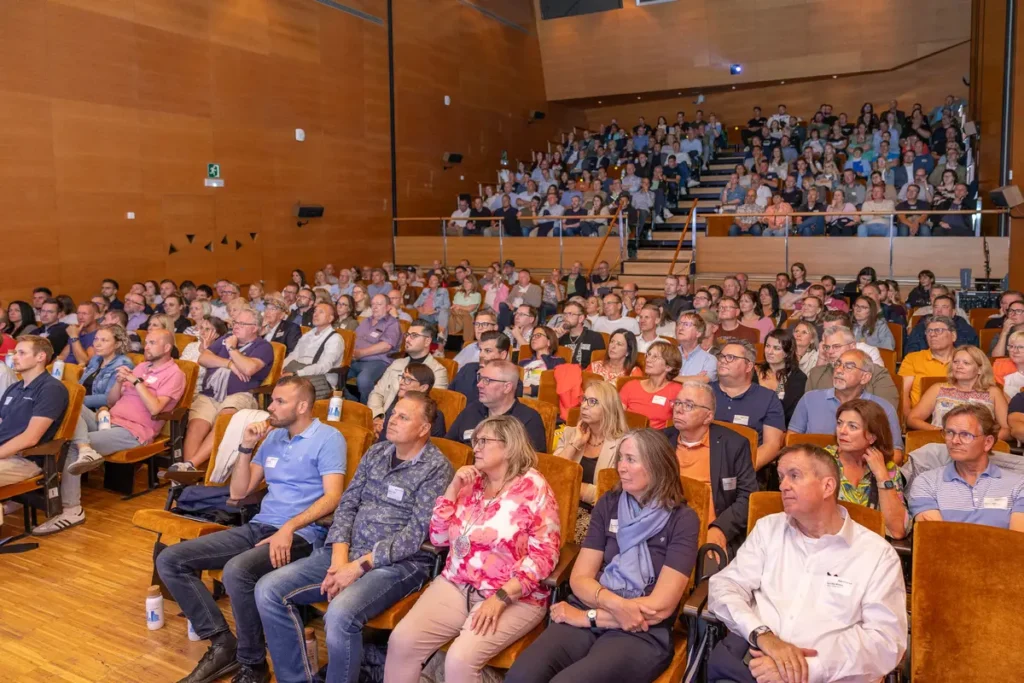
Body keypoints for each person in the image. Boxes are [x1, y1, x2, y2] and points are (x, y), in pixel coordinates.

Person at [255, 393, 454, 683]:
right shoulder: (376, 452)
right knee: (268, 589)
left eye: (403, 417)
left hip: (397, 564)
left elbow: (416, 534)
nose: (391, 421)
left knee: (340, 613)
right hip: (345, 552)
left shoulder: (437, 468)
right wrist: (338, 557)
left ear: (424, 428)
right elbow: (347, 504)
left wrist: (357, 566)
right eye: (392, 413)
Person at [157, 377, 345, 683]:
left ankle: (252, 663)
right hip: (260, 526)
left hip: (303, 535)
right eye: (271, 400)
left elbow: (333, 497)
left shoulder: (328, 437)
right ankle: (222, 643)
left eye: (279, 401)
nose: (270, 407)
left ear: (302, 406)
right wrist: (246, 446)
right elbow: (239, 492)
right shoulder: (273, 438)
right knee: (171, 559)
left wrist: (290, 527)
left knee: (237, 571)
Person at [505, 428, 699, 683]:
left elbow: (660, 606)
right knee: (521, 675)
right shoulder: (610, 503)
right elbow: (580, 579)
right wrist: (613, 606)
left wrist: (588, 618)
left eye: (631, 459)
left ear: (657, 465)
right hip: (597, 605)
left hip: (642, 632)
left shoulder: (682, 519)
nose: (621, 467)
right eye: (620, 458)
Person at [706, 445, 907, 683]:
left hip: (826, 676)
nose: (782, 485)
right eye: (781, 477)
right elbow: (724, 586)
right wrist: (763, 635)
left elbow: (885, 642)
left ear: (827, 486)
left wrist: (805, 669)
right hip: (753, 662)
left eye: (794, 475)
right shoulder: (768, 528)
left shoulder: (876, 554)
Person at [384, 415, 561, 683]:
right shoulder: (472, 482)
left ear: (509, 446)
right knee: (402, 641)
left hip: (512, 595)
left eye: (483, 441)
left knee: (459, 661)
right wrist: (453, 489)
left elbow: (544, 556)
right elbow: (439, 538)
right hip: (456, 583)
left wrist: (501, 597)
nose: (474, 447)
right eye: (474, 440)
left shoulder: (534, 488)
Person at [33, 329, 186, 535]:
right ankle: (81, 451)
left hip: (132, 431)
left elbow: (156, 409)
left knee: (70, 445)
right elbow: (113, 401)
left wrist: (135, 382)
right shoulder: (141, 367)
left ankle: (72, 509)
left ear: (167, 347)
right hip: (109, 419)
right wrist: (118, 382)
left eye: (151, 343)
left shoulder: (175, 374)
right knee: (70, 402)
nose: (146, 347)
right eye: (146, 342)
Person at [662, 381, 757, 556]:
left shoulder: (733, 445)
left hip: (708, 535)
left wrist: (720, 529)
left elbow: (748, 496)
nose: (679, 409)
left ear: (708, 417)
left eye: (689, 405)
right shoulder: (661, 441)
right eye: (678, 402)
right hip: (662, 532)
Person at [176, 307, 275, 472]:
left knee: (225, 417)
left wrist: (231, 349)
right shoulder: (226, 338)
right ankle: (187, 473)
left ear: (255, 328)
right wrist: (229, 364)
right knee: (196, 425)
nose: (236, 326)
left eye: (242, 323)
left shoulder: (263, 346)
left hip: (240, 395)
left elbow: (249, 368)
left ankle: (191, 464)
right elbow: (204, 358)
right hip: (210, 394)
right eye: (235, 322)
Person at [909, 403, 1024, 530]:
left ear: (988, 442)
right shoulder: (926, 482)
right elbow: (936, 538)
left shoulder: (1018, 485)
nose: (954, 441)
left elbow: (1018, 542)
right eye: (950, 432)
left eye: (965, 434)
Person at [553, 380, 629, 542]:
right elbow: (552, 476)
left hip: (597, 514)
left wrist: (577, 489)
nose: (585, 405)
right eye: (585, 399)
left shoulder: (623, 445)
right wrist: (575, 444)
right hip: (560, 506)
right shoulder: (569, 434)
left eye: (593, 402)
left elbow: (615, 495)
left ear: (609, 408)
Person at [823, 399, 911, 539]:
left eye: (852, 426)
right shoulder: (821, 462)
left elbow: (897, 530)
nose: (842, 431)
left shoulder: (888, 468)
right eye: (840, 423)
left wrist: (882, 475)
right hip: (828, 544)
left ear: (872, 436)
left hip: (871, 550)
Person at [0, 337, 70, 504]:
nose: (14, 357)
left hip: (25, 459)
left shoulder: (51, 389)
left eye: (22, 353)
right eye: (15, 352)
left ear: (40, 357)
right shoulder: (15, 387)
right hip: (6, 453)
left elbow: (31, 438)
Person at [907, 346, 1010, 440]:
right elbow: (912, 419)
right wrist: (939, 432)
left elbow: (1008, 429)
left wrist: (983, 442)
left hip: (980, 450)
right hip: (942, 443)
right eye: (956, 362)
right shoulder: (938, 389)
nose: (959, 366)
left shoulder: (993, 392)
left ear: (979, 369)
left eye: (966, 363)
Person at [712, 341, 785, 472]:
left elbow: (772, 445)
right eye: (721, 356)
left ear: (748, 366)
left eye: (731, 357)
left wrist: (743, 471)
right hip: (702, 465)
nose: (723, 361)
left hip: (746, 472)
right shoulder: (703, 392)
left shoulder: (767, 398)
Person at [445, 360, 548, 453]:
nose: (479, 385)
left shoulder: (528, 420)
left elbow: (532, 463)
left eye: (487, 380)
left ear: (507, 387)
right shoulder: (472, 409)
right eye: (479, 379)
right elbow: (447, 447)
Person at [368, 320, 449, 428]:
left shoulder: (437, 371)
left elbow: (430, 409)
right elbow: (377, 393)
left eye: (414, 336)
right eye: (407, 335)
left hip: (408, 427)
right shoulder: (397, 363)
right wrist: (377, 418)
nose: (407, 339)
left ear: (427, 341)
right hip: (382, 421)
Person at [807, 326, 899, 410]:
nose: (830, 352)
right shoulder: (816, 374)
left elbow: (885, 413)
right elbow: (807, 411)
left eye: (836, 346)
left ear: (852, 346)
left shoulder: (877, 373)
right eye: (827, 347)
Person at [899, 316, 957, 419]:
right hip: (919, 419)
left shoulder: (965, 360)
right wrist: (909, 418)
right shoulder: (913, 358)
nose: (932, 334)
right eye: (929, 331)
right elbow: (903, 393)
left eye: (938, 330)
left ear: (953, 336)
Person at [347, 294, 401, 403]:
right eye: (373, 304)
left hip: (377, 361)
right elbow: (354, 338)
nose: (375, 307)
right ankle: (350, 400)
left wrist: (362, 353)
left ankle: (367, 408)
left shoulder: (392, 323)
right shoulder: (366, 321)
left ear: (388, 307)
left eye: (379, 304)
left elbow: (386, 345)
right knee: (335, 374)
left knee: (363, 380)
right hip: (355, 360)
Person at [618, 341, 682, 429]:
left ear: (668, 367)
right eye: (648, 354)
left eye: (655, 357)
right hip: (628, 435)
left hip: (657, 439)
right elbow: (616, 418)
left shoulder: (678, 391)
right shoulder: (631, 386)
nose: (648, 360)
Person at [754, 329, 806, 425]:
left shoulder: (797, 378)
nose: (769, 352)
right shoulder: (754, 371)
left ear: (787, 352)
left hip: (781, 427)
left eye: (776, 348)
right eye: (767, 346)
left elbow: (791, 414)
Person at [905, 294, 977, 354]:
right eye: (936, 307)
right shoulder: (921, 327)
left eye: (944, 307)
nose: (939, 311)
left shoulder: (965, 329)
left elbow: (974, 355)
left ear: (953, 312)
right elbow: (911, 351)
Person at [519, 326, 566, 397]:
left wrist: (527, 390)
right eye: (532, 336)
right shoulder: (523, 362)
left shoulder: (557, 362)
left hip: (540, 400)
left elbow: (552, 387)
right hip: (519, 396)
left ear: (549, 342)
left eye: (538, 335)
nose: (533, 338)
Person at [556, 300, 605, 367]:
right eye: (564, 314)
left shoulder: (595, 337)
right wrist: (555, 338)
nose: (566, 317)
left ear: (581, 318)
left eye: (570, 314)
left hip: (586, 375)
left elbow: (600, 365)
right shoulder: (561, 338)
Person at [675, 311, 717, 382]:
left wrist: (671, 377)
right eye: (679, 324)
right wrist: (694, 378)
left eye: (686, 324)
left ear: (698, 333)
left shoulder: (709, 360)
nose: (680, 328)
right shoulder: (667, 354)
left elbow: (703, 380)